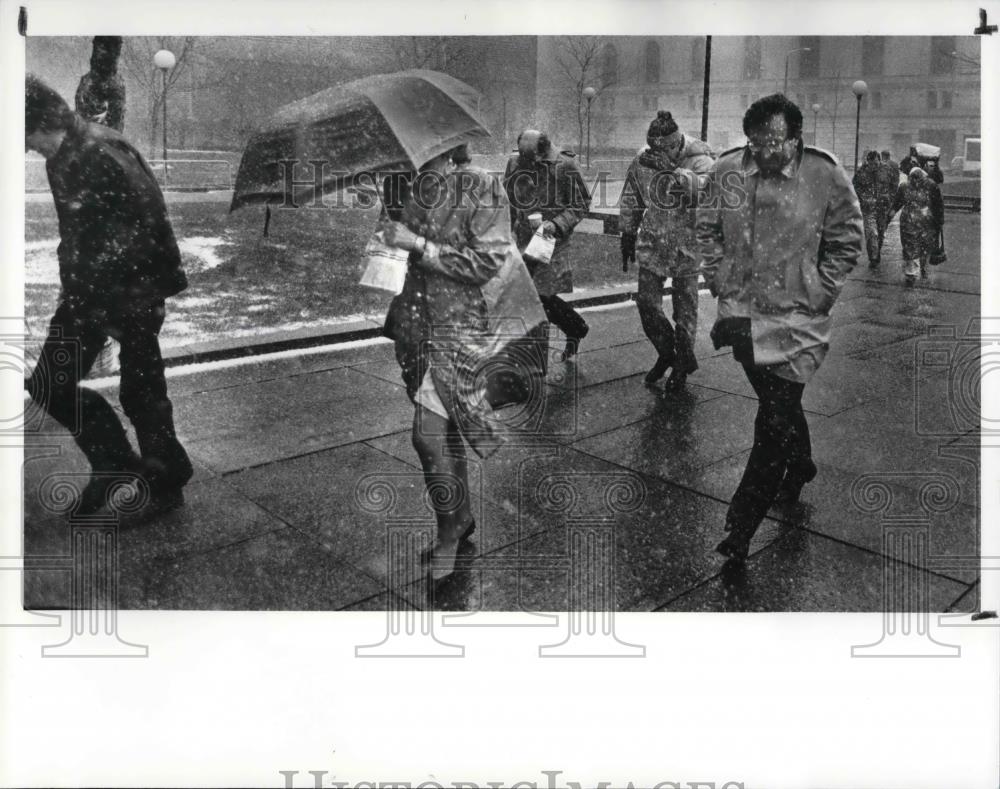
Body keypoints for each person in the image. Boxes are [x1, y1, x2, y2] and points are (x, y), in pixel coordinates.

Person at [696, 93, 863, 562]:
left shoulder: (823, 172)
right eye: (757, 141)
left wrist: (821, 291)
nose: (766, 151)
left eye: (776, 141)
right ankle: (803, 463)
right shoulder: (728, 170)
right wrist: (718, 281)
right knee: (779, 406)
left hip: (797, 320)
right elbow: (707, 228)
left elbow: (848, 238)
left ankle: (741, 524)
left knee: (771, 418)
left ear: (795, 136)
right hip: (743, 317)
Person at [24, 75, 192, 516]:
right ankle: (113, 464)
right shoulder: (60, 156)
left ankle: (166, 482)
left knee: (141, 391)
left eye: (28, 138)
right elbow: (78, 233)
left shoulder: (102, 150)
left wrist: (121, 300)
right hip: (88, 295)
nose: (27, 148)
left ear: (40, 120)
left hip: (133, 290)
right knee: (48, 384)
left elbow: (146, 226)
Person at [382, 144, 547, 580]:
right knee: (446, 429)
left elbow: (488, 263)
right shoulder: (405, 186)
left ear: (444, 146)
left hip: (463, 327)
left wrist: (419, 244)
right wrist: (387, 246)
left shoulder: (481, 186)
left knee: (428, 437)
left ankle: (450, 532)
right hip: (416, 324)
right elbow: (399, 254)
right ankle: (461, 517)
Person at [620, 110, 714, 388]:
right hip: (654, 242)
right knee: (647, 304)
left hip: (688, 244)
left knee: (685, 313)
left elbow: (706, 194)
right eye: (654, 148)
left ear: (677, 142)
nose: (659, 153)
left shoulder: (701, 158)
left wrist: (672, 171)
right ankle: (668, 354)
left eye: (666, 149)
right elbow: (632, 194)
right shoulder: (644, 158)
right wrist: (626, 231)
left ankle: (681, 366)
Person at [504, 130, 592, 360]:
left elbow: (581, 203)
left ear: (543, 152)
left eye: (532, 160)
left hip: (551, 240)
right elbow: (508, 199)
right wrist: (508, 229)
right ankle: (575, 327)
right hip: (523, 239)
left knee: (540, 296)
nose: (528, 164)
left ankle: (536, 358)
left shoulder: (565, 165)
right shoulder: (515, 162)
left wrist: (556, 223)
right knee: (528, 295)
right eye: (524, 159)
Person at [889, 167, 945, 284]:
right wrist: (890, 214)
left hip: (924, 222)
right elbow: (897, 202)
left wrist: (939, 220)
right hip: (910, 222)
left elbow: (938, 204)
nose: (916, 183)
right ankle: (911, 272)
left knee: (923, 245)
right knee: (910, 246)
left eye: (918, 180)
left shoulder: (931, 186)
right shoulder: (905, 187)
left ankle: (922, 266)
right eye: (913, 180)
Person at [74, 36, 125, 132]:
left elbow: (115, 121)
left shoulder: (114, 84)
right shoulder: (87, 80)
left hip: (97, 136)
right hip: (91, 135)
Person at [853, 150, 891, 267]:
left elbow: (892, 186)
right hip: (868, 208)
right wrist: (863, 198)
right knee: (871, 233)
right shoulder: (861, 172)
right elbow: (855, 187)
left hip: (882, 207)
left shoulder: (886, 170)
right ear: (868, 162)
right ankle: (873, 257)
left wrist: (888, 197)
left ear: (879, 161)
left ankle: (877, 252)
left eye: (876, 163)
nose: (874, 166)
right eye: (871, 164)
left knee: (880, 232)